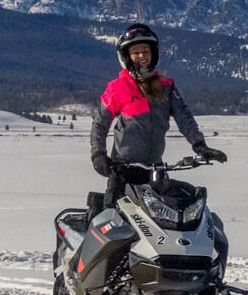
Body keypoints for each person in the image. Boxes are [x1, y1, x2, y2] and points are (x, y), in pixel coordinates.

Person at [88, 23, 225, 213]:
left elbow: (184, 117)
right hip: (124, 170)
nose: (142, 56)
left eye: (146, 51)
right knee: (114, 223)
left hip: (156, 170)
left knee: (165, 225)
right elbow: (100, 124)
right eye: (136, 52)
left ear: (154, 54)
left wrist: (200, 145)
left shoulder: (166, 86)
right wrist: (98, 154)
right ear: (127, 57)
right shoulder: (117, 88)